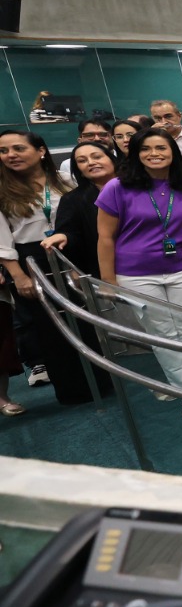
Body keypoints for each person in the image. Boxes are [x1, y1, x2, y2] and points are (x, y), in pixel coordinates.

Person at [95, 129, 182, 415]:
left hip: (181, 267)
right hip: (136, 273)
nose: (154, 154)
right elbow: (105, 237)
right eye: (146, 149)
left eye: (161, 148)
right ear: (135, 154)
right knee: (163, 333)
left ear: (173, 151)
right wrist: (108, 281)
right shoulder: (117, 187)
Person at [0, 129, 109, 407]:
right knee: (50, 328)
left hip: (70, 253)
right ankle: (72, 391)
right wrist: (18, 275)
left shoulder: (65, 180)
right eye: (3, 151)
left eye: (18, 148)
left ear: (40, 151)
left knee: (84, 320)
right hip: (31, 259)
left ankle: (101, 383)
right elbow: (2, 239)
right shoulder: (3, 190)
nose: (10, 155)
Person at [43, 139, 119, 278]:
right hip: (105, 269)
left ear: (113, 160)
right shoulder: (72, 199)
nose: (91, 162)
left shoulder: (139, 188)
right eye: (82, 161)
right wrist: (64, 236)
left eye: (97, 157)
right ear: (80, 171)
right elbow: (70, 232)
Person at [149, 99, 182, 164]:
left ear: (179, 116)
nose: (164, 122)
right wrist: (150, 135)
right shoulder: (148, 139)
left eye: (168, 116)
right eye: (157, 118)